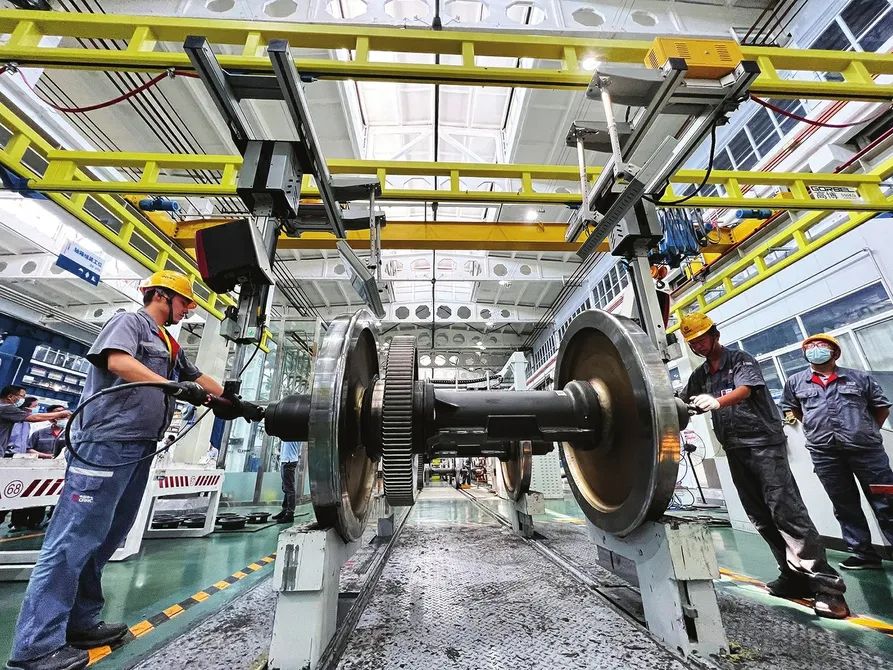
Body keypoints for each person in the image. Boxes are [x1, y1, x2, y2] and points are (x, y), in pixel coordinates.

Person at [6, 270, 249, 670]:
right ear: (160, 295)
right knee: (72, 540)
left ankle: (80, 623)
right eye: (184, 302)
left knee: (105, 539)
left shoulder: (168, 342)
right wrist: (171, 387)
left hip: (139, 448)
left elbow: (194, 378)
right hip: (106, 443)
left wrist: (236, 402)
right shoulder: (129, 322)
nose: (188, 310)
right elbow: (118, 361)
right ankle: (35, 646)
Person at [679, 313, 849, 619]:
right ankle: (793, 577)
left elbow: (745, 389)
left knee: (786, 511)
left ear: (714, 335)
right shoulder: (701, 375)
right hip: (735, 448)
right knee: (759, 516)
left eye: (702, 339)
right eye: (693, 343)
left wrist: (718, 402)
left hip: (763, 445)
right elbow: (681, 401)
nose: (698, 346)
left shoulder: (740, 361)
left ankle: (828, 588)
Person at [782, 333, 893, 570]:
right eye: (810, 346)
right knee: (844, 505)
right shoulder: (795, 382)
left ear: (834, 352)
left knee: (886, 500)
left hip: (867, 452)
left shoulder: (859, 378)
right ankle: (863, 554)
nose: (814, 349)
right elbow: (796, 411)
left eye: (820, 345)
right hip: (825, 454)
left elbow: (881, 408)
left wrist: (864, 431)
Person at [0, 387, 70, 457]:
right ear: (10, 396)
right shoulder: (5, 408)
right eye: (22, 396)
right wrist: (61, 414)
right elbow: (34, 418)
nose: (23, 399)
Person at [273, 441, 301, 523]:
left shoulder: (291, 434)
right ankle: (285, 510)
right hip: (286, 460)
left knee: (289, 489)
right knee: (286, 487)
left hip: (289, 460)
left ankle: (289, 514)